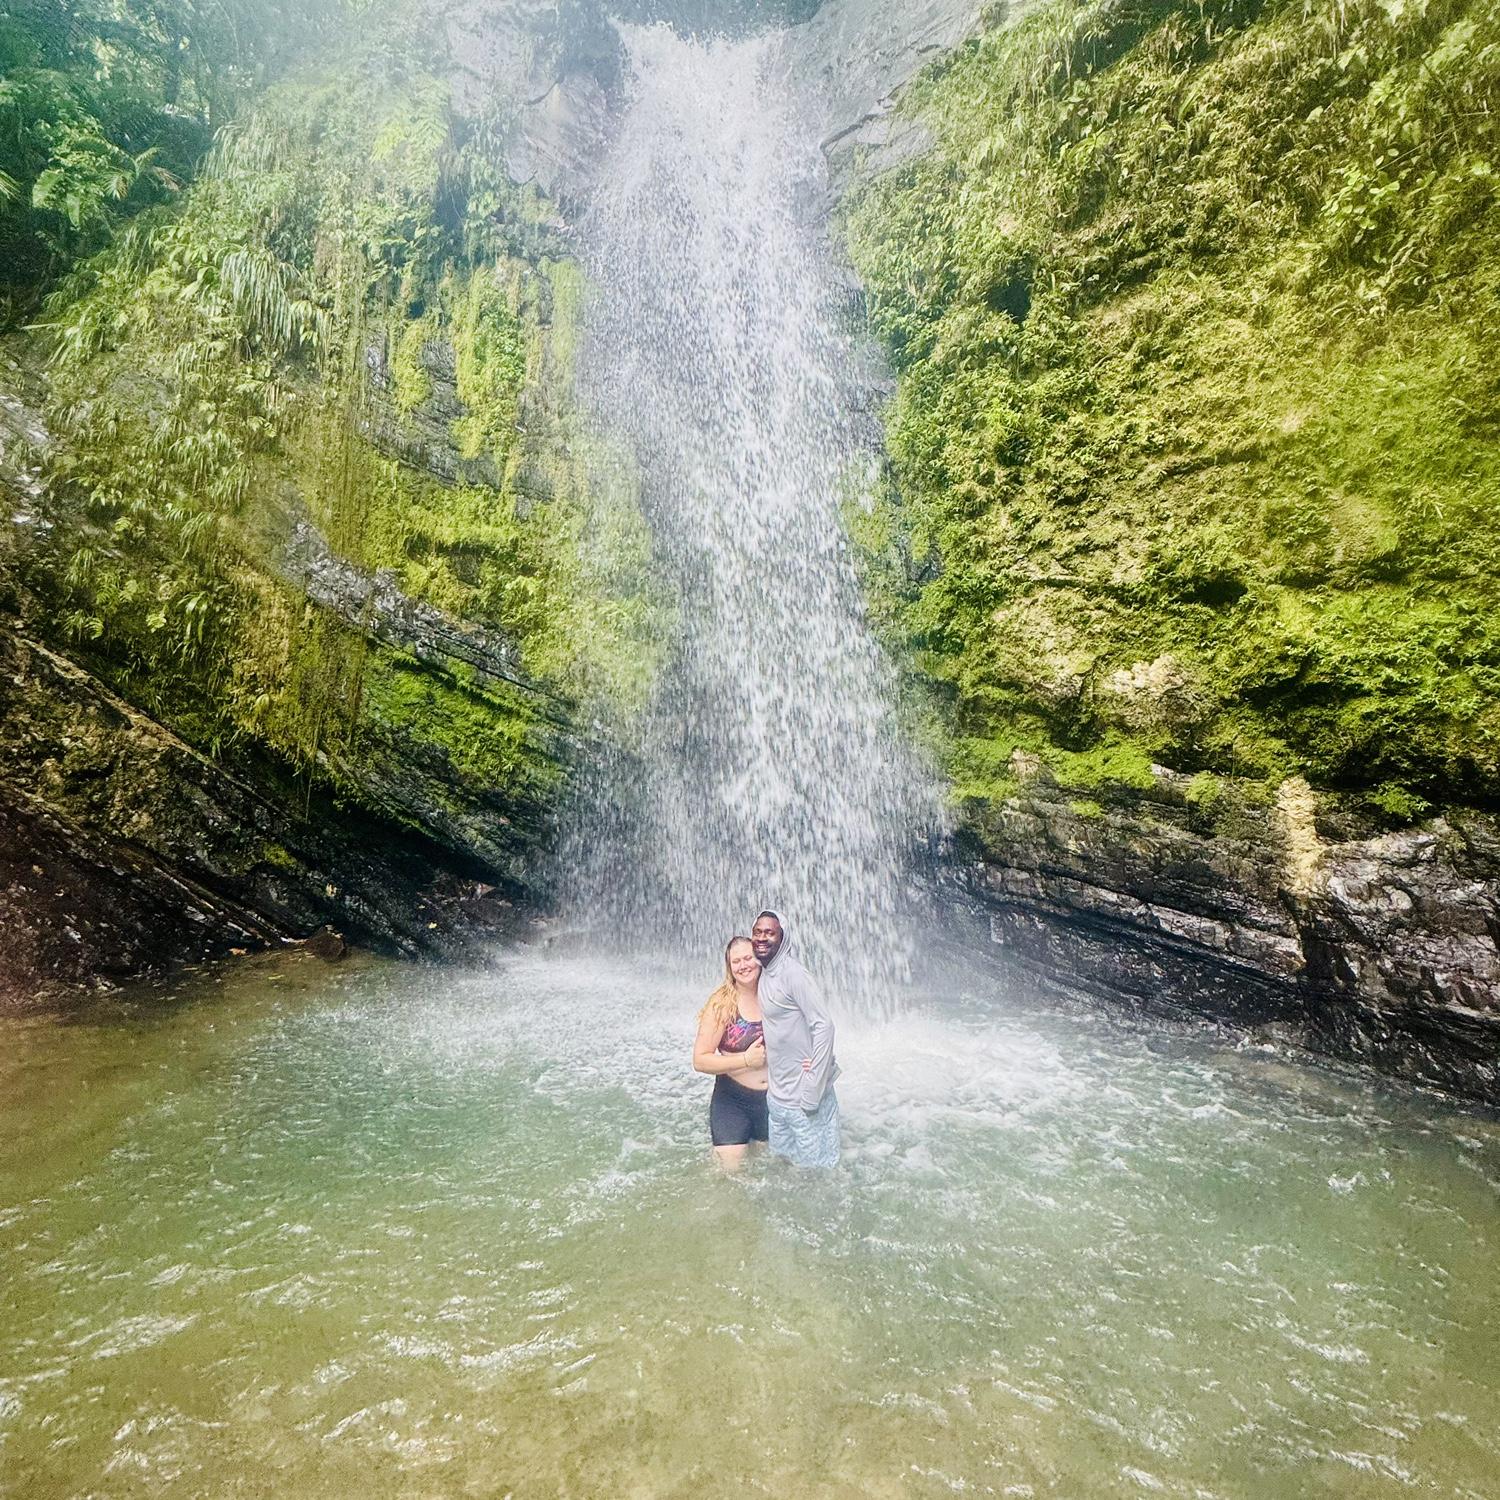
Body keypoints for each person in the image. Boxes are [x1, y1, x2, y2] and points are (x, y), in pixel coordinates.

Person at [751, 909, 840, 1168]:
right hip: (778, 1100)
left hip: (805, 1102)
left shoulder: (794, 974)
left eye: (770, 932)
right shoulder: (764, 973)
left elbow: (824, 1026)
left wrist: (814, 1086)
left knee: (819, 1176)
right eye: (758, 932)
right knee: (783, 1171)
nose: (762, 938)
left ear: (783, 938)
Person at [692, 935, 769, 1170]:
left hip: (775, 1101)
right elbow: (700, 1059)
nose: (743, 965)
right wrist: (746, 1059)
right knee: (731, 1175)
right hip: (733, 1101)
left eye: (748, 958)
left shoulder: (775, 995)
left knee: (773, 1171)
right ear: (729, 967)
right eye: (736, 961)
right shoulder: (722, 1004)